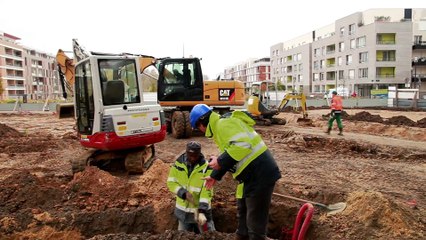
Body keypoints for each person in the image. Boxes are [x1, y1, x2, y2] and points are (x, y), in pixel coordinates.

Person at [189, 104, 281, 240]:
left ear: (202, 122)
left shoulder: (222, 125)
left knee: (256, 231)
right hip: (250, 177)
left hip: (260, 174)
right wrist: (215, 175)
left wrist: (220, 161)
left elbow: (243, 146)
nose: (200, 131)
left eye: (198, 127)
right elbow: (232, 155)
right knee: (242, 228)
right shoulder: (221, 125)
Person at [167, 141, 215, 233]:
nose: (192, 158)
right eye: (190, 156)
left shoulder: (206, 167)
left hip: (201, 212)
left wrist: (202, 210)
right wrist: (183, 193)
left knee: (208, 235)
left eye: (195, 156)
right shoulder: (178, 165)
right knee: (182, 236)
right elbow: (171, 182)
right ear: (186, 153)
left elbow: (207, 190)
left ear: (199, 154)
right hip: (183, 212)